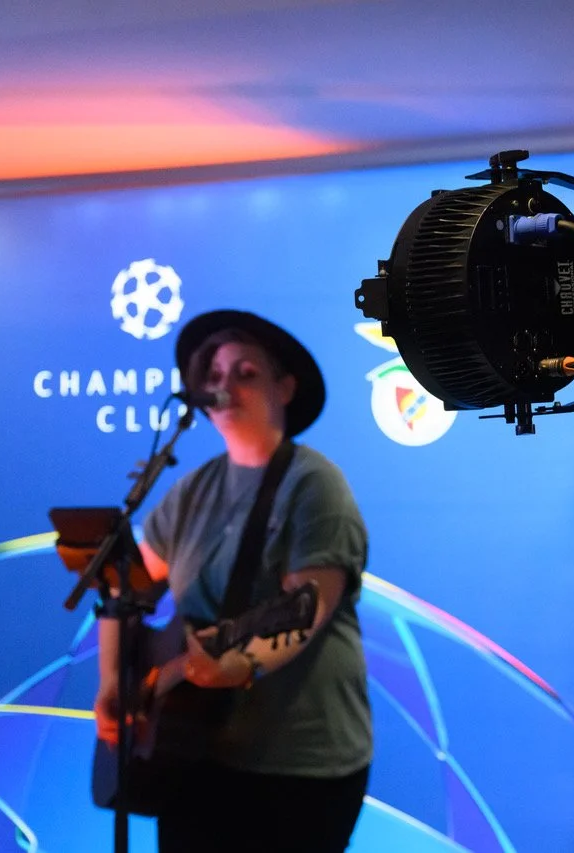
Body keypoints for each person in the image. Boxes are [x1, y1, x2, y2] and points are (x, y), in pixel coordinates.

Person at [93, 310, 372, 852]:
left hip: (297, 768)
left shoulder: (315, 485)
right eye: (214, 376)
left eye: (245, 373)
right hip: (193, 752)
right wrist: (114, 683)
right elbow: (125, 588)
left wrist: (236, 664)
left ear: (284, 388)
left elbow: (305, 610)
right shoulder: (193, 489)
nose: (225, 386)